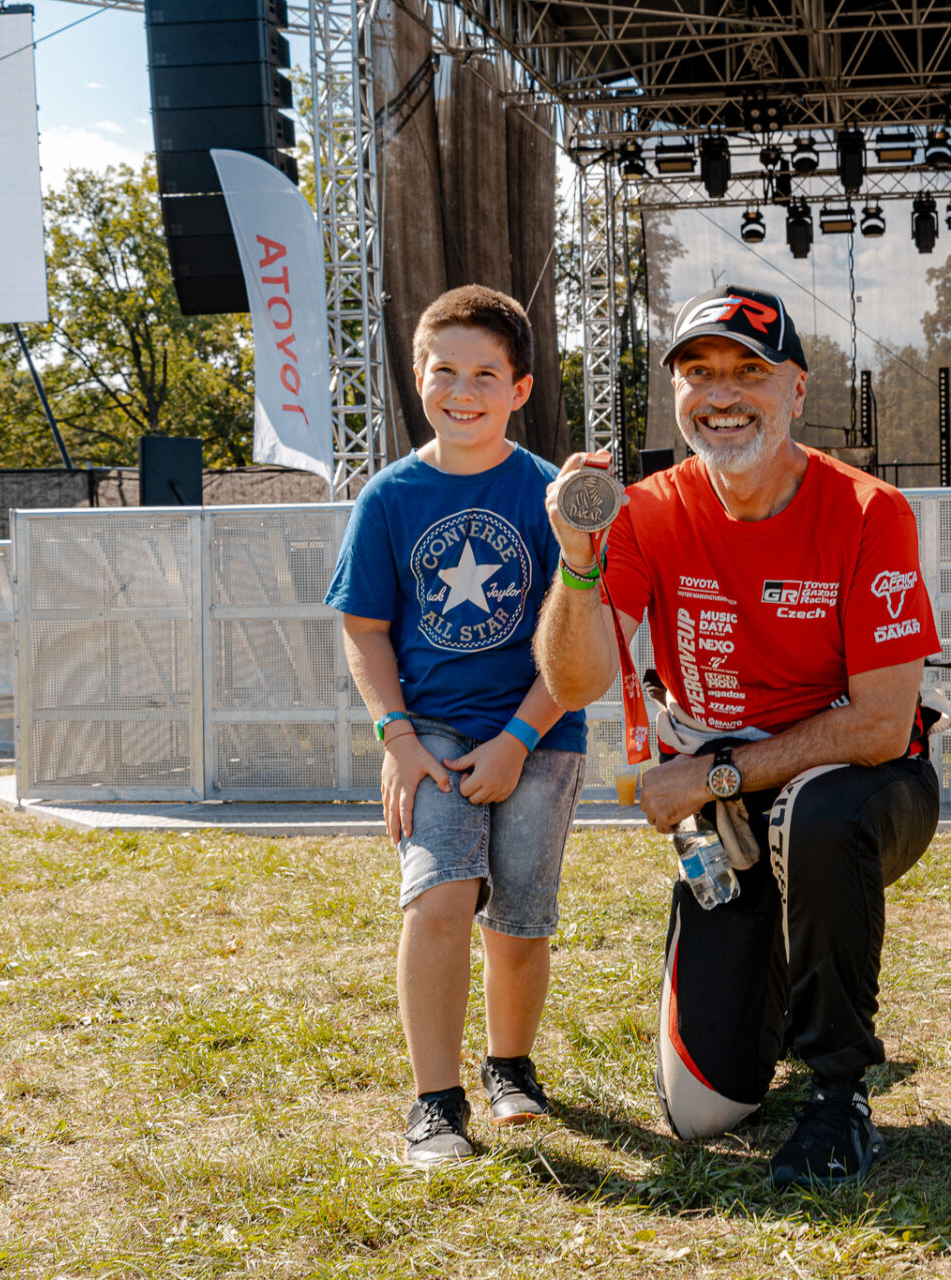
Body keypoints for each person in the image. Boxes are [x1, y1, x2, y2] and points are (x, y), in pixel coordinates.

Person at [533, 284, 941, 1189]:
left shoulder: (871, 511)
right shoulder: (642, 510)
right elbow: (574, 681)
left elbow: (878, 725)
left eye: (748, 373)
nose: (721, 393)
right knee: (702, 1113)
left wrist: (713, 775)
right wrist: (578, 560)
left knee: (817, 815)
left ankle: (841, 1094)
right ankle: (777, 966)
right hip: (727, 812)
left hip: (865, 785)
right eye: (698, 372)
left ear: (796, 389)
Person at [325, 285, 587, 1168]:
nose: (462, 389)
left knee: (519, 915)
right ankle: (434, 1105)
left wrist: (518, 741)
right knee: (438, 901)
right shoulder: (388, 498)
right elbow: (364, 628)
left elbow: (584, 638)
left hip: (539, 732)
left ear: (520, 389)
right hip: (429, 730)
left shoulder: (554, 495)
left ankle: (510, 1067)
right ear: (417, 376)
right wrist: (397, 738)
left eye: (486, 373)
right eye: (444, 370)